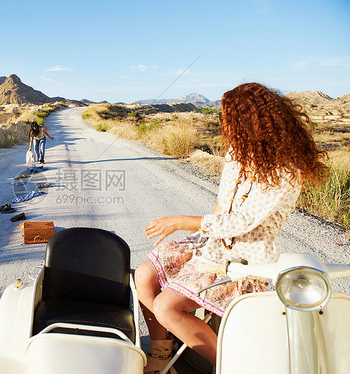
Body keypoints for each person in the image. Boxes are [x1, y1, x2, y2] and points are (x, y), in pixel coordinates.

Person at [134, 82, 326, 373]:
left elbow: (244, 222)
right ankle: (162, 354)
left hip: (246, 256)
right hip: (214, 240)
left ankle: (229, 366)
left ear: (248, 121)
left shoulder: (287, 170)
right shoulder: (237, 153)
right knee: (146, 275)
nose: (222, 122)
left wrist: (183, 222)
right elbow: (223, 205)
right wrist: (196, 239)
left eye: (227, 116)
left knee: (166, 307)